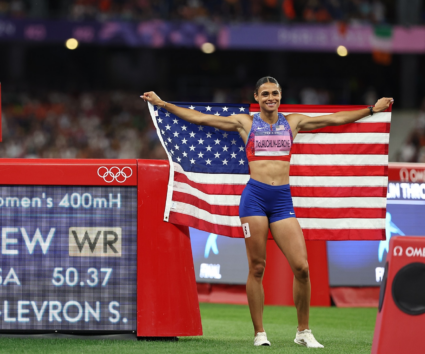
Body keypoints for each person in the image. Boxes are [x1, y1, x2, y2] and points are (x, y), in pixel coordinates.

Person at [141, 77, 393, 348]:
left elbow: (334, 119)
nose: (270, 97)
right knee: (257, 267)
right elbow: (201, 119)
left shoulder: (293, 122)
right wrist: (162, 103)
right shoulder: (245, 122)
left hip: (283, 201)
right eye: (265, 94)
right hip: (255, 200)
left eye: (274, 93)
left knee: (302, 268)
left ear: (280, 95)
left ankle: (303, 331)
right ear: (257, 97)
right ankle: (260, 333)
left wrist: (372, 110)